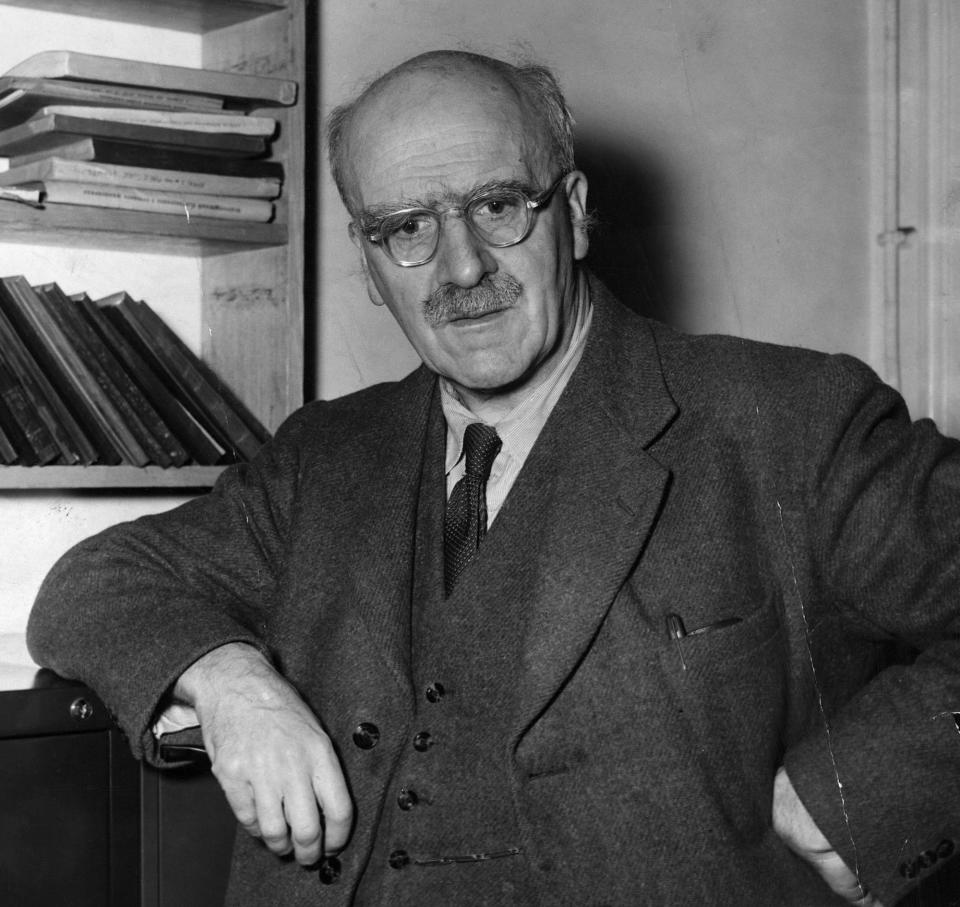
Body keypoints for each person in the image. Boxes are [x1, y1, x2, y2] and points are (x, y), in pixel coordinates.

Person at [27, 49, 960, 907]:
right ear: (366, 260)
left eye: (498, 205)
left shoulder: (789, 418)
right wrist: (231, 683)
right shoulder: (324, 456)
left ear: (577, 211)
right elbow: (92, 585)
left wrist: (867, 790)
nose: (461, 266)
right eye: (406, 228)